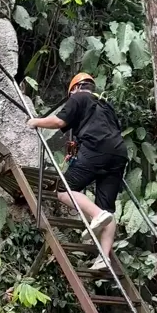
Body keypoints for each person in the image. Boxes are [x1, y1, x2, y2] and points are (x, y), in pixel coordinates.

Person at [26, 73, 128, 271]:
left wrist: (35, 121)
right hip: (118, 154)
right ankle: (103, 258)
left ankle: (96, 215)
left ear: (74, 88)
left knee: (63, 190)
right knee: (108, 208)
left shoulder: (78, 97)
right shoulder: (105, 104)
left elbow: (58, 122)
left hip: (96, 149)